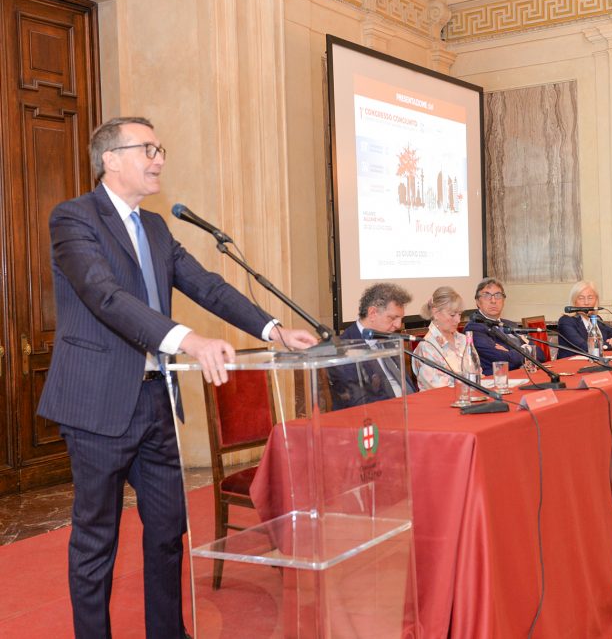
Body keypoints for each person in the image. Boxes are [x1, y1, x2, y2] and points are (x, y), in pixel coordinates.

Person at [37, 116, 317, 639]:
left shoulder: (158, 227)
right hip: (97, 403)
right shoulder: (74, 218)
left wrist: (273, 329)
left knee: (168, 531)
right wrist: (189, 340)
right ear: (110, 159)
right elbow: (104, 296)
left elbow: (207, 287)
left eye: (160, 148)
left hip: (155, 402)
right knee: (97, 541)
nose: (159, 158)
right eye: (147, 149)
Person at [329, 282, 417, 409]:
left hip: (410, 409)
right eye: (393, 318)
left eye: (401, 319)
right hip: (379, 415)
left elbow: (406, 385)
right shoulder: (344, 347)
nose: (398, 325)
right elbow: (358, 401)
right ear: (372, 313)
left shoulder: (388, 340)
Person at [463, 277, 535, 376]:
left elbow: (539, 353)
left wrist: (511, 352)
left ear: (503, 300)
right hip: (496, 380)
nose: (493, 300)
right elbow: (503, 360)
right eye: (486, 296)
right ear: (478, 302)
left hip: (521, 376)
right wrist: (527, 350)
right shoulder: (474, 328)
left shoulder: (511, 324)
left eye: (498, 295)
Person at [412, 286, 466, 390]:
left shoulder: (463, 339)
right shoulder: (427, 346)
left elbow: (477, 373)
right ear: (436, 313)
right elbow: (439, 388)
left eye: (460, 314)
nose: (458, 320)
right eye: (452, 315)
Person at [556, 280, 612, 359]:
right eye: (581, 298)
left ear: (596, 300)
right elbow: (585, 347)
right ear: (574, 301)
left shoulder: (597, 319)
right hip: (570, 364)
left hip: (595, 362)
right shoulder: (566, 321)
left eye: (590, 298)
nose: (586, 302)